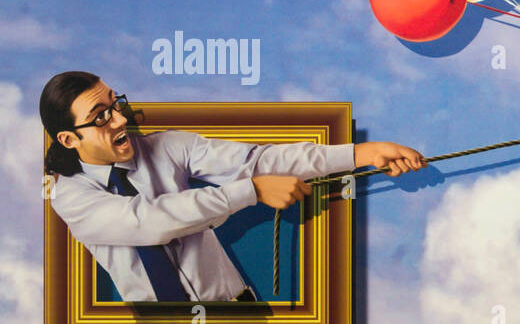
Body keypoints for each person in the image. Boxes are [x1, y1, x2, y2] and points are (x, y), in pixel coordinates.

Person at [41, 70, 425, 302]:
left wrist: (361, 153)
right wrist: (252, 191)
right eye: (100, 117)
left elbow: (260, 161)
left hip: (237, 311)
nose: (119, 119)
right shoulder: (70, 197)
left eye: (116, 103)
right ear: (68, 140)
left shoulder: (169, 146)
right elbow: (150, 222)